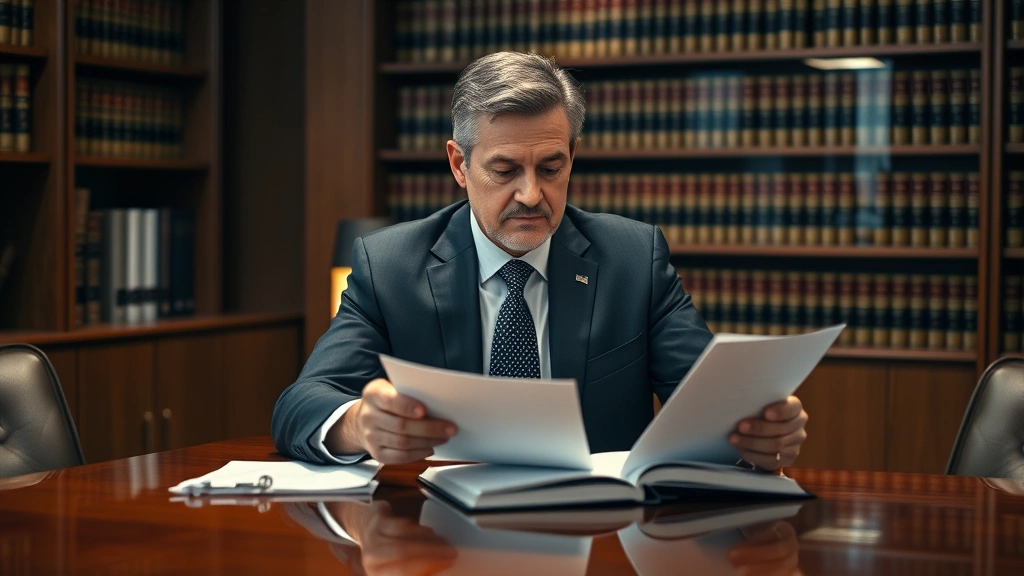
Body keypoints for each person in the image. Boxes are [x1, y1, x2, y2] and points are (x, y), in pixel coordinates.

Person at [271, 52, 809, 471]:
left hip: (598, 534)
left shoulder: (632, 260)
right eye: (505, 170)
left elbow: (712, 407)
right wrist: (360, 425)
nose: (531, 195)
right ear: (459, 164)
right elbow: (301, 403)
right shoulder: (390, 266)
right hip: (439, 534)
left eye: (551, 168)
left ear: (572, 155)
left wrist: (757, 433)